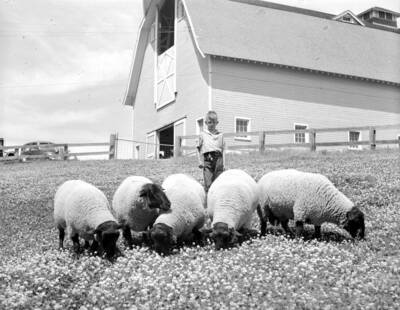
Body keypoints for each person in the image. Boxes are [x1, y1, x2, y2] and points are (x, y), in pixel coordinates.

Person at [197, 111, 225, 192]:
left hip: (219, 159)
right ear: (206, 123)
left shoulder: (220, 135)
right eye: (209, 122)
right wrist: (200, 161)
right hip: (208, 159)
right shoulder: (202, 134)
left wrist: (224, 163)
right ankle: (208, 199)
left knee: (218, 181)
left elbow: (223, 150)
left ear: (217, 123)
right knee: (208, 182)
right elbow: (198, 148)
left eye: (214, 122)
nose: (211, 124)